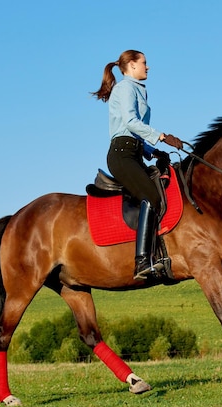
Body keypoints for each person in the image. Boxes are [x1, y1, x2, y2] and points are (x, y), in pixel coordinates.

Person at [91, 49, 183, 280]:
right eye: (144, 63)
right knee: (152, 197)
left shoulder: (138, 90)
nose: (147, 67)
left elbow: (136, 135)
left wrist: (155, 152)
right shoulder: (125, 88)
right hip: (121, 155)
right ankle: (142, 261)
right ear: (131, 65)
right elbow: (131, 122)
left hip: (133, 152)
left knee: (160, 192)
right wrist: (161, 136)